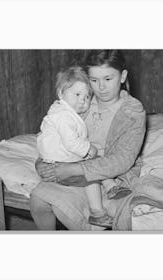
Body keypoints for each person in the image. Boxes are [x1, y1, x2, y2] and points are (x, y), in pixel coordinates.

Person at [30, 50, 146, 230]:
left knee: (102, 211)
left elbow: (122, 160)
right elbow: (57, 133)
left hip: (110, 175)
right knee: (38, 198)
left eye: (108, 79)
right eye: (94, 80)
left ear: (122, 76)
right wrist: (43, 162)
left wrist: (70, 169)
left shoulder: (133, 111)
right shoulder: (81, 102)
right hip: (73, 165)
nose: (101, 87)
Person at [37, 66, 115, 227]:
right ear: (60, 94)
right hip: (58, 165)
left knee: (94, 163)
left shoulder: (66, 113)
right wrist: (88, 148)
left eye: (87, 97)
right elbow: (72, 142)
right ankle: (97, 212)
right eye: (77, 94)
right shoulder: (63, 115)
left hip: (60, 160)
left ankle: (109, 183)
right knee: (90, 175)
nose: (82, 100)